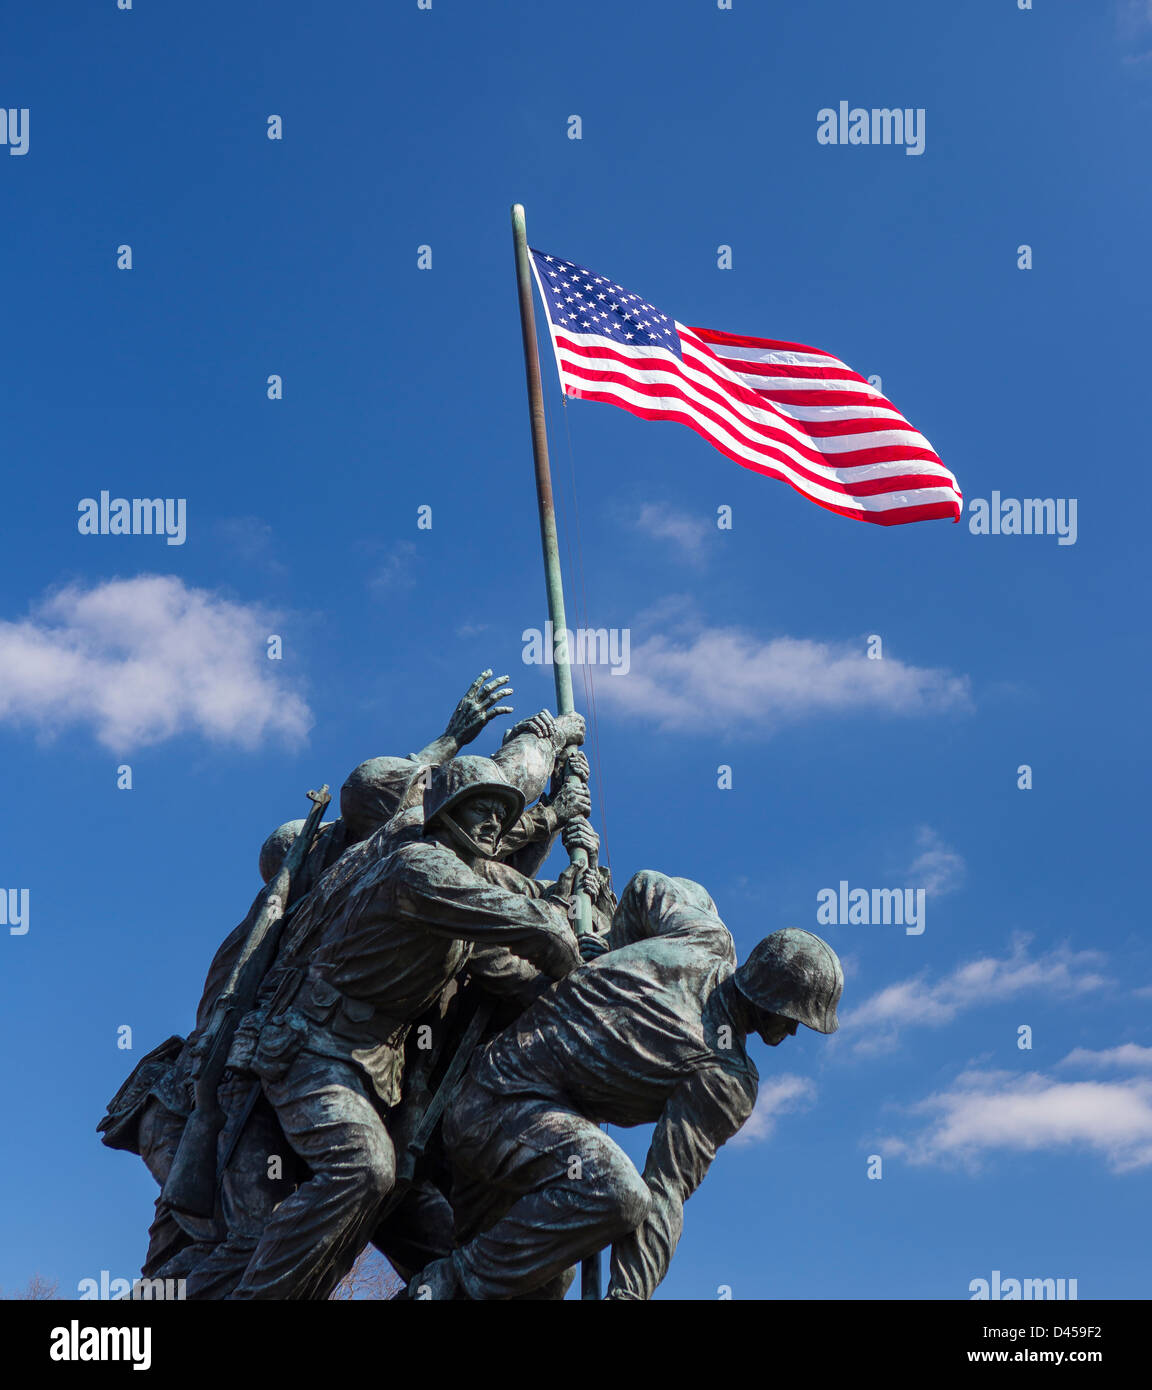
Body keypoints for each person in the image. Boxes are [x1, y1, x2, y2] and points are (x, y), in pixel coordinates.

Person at [419, 871, 843, 1300]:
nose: (792, 1033)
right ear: (768, 997)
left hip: (515, 1129)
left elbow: (643, 888)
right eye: (794, 1018)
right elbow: (664, 1191)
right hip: (495, 1109)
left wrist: (608, 958)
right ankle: (454, 1274)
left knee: (546, 1285)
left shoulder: (704, 934)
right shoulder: (724, 1079)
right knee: (616, 1192)